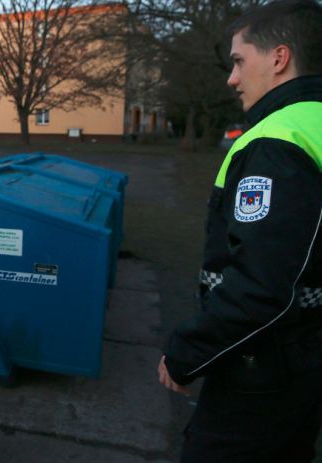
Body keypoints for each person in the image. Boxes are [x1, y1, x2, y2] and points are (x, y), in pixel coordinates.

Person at [158, 1, 322, 462]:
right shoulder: (314, 126)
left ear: (278, 58)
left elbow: (262, 286)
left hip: (262, 368)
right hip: (304, 360)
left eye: (238, 61)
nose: (231, 78)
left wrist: (187, 352)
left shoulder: (277, 141)